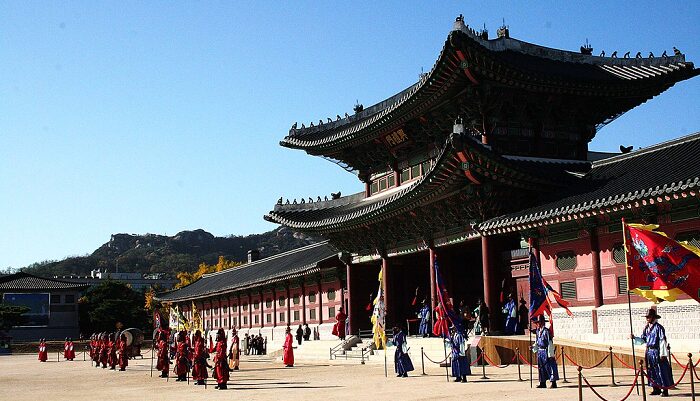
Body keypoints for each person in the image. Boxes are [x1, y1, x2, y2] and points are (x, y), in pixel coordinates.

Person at [631, 308, 673, 397]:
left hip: (656, 351)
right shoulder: (646, 328)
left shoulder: (659, 328)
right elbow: (643, 339)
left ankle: (664, 389)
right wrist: (635, 338)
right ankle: (655, 388)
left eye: (649, 317)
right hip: (649, 351)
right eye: (647, 317)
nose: (647, 319)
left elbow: (662, 341)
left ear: (653, 317)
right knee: (651, 370)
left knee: (661, 370)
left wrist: (663, 354)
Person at [532, 315, 558, 389]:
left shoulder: (546, 331)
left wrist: (550, 354)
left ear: (543, 323)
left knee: (549, 366)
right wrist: (533, 347)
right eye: (538, 323)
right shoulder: (538, 331)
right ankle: (542, 382)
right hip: (540, 351)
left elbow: (550, 342)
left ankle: (553, 382)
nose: (538, 324)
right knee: (541, 367)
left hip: (546, 351)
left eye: (540, 322)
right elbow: (537, 342)